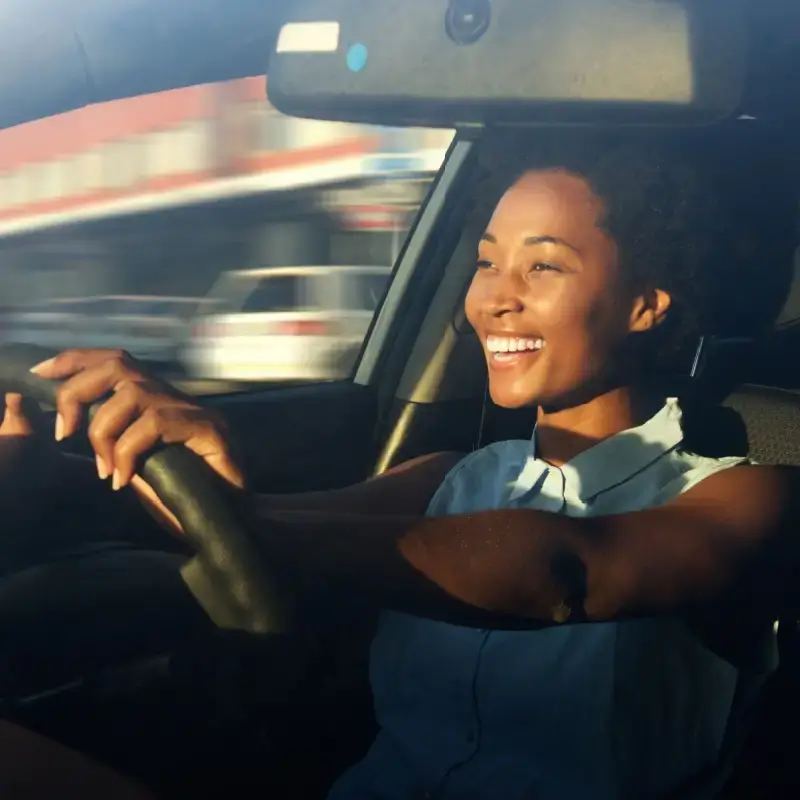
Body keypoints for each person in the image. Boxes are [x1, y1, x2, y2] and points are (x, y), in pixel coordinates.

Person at [6, 141, 800, 798]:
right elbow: (257, 532)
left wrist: (252, 521)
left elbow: (569, 573)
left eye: (544, 267)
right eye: (487, 263)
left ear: (645, 304)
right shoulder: (453, 477)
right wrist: (55, 470)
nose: (493, 300)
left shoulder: (740, 496)